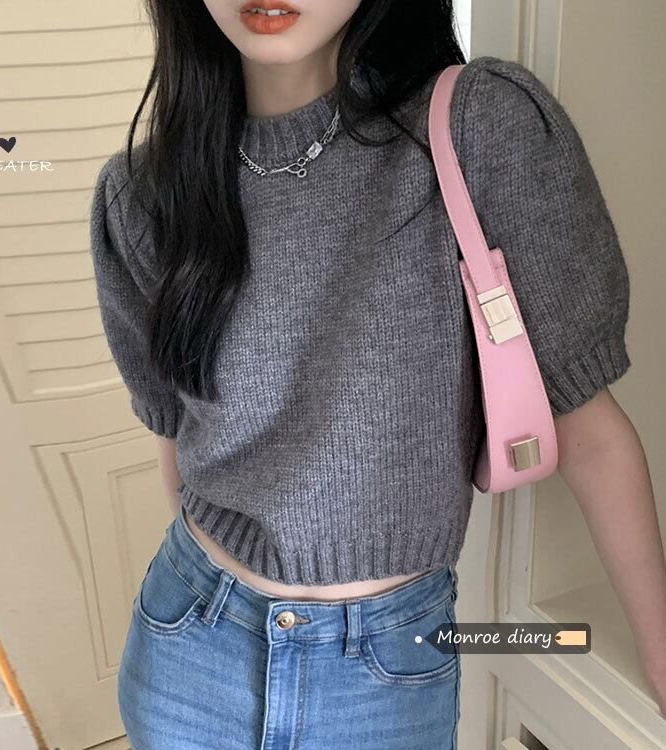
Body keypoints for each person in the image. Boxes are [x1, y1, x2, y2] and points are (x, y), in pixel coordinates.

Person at [88, 0, 666, 747]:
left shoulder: (479, 126)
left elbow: (588, 428)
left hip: (386, 664)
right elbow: (176, 434)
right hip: (188, 642)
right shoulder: (141, 193)